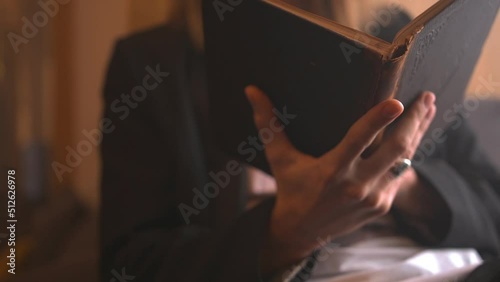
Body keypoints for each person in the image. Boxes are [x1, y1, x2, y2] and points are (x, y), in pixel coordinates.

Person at [100, 1, 500, 281]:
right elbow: (131, 265)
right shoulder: (152, 64)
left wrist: (399, 183)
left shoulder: (391, 37)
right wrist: (287, 234)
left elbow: (492, 208)